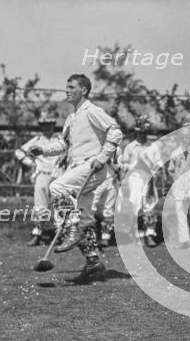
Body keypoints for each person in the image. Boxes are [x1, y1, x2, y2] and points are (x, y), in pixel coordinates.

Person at [30, 74, 122, 283]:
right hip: (80, 167)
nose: (67, 90)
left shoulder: (93, 111)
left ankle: (71, 228)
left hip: (92, 166)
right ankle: (93, 262)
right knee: (86, 218)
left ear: (85, 91)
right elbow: (64, 145)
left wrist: (103, 156)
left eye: (72, 87)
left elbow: (115, 132)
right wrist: (42, 149)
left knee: (57, 187)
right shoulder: (72, 118)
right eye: (66, 86)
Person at [14, 112, 64, 246]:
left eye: (49, 125)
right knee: (40, 205)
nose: (47, 128)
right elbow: (19, 152)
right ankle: (37, 234)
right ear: (41, 127)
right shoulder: (36, 140)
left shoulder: (59, 139)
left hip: (57, 174)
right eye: (44, 125)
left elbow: (68, 150)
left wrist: (63, 163)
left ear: (54, 125)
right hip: (42, 173)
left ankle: (60, 235)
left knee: (59, 203)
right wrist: (31, 163)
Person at [116, 115, 159, 248]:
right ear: (136, 131)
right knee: (132, 205)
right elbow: (123, 166)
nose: (143, 133)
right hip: (133, 178)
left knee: (149, 205)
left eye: (145, 131)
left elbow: (157, 164)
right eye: (140, 131)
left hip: (148, 177)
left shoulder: (152, 147)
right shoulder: (130, 147)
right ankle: (133, 234)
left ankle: (150, 234)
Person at [90, 143, 122, 246]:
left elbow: (118, 167)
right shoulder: (96, 146)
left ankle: (105, 237)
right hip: (97, 180)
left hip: (111, 180)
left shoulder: (117, 150)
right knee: (91, 207)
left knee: (109, 209)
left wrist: (110, 162)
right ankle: (91, 236)